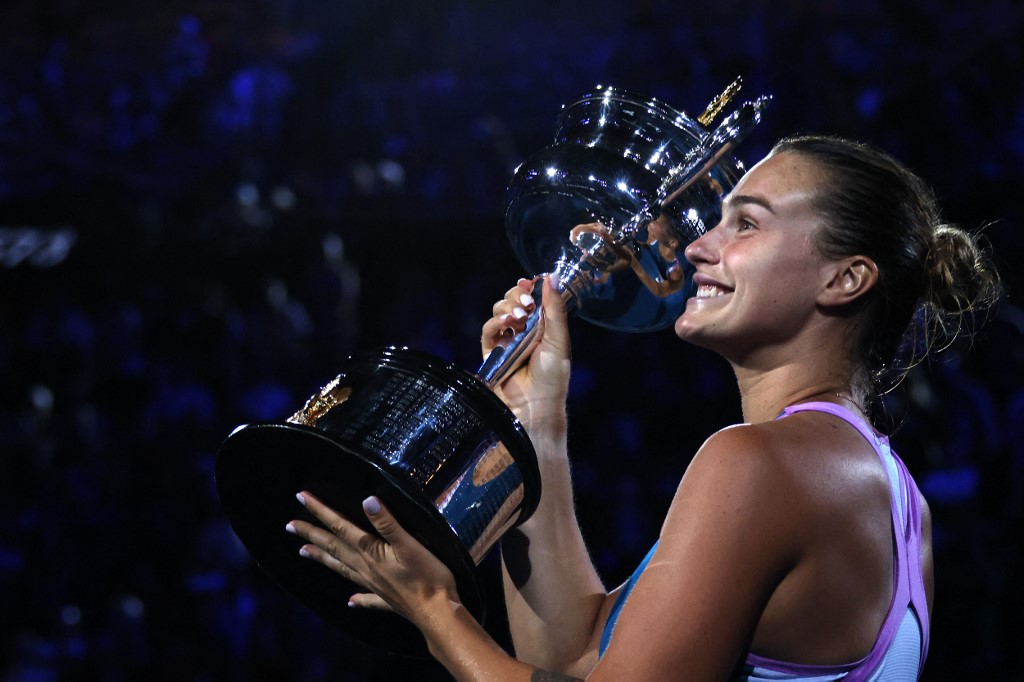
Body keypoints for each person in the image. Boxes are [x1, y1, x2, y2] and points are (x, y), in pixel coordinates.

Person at [284, 134, 1001, 680]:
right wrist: (538, 420)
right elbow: (576, 652)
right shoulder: (890, 493)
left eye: (745, 225)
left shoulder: (762, 466)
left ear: (845, 278)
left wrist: (436, 609)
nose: (699, 248)